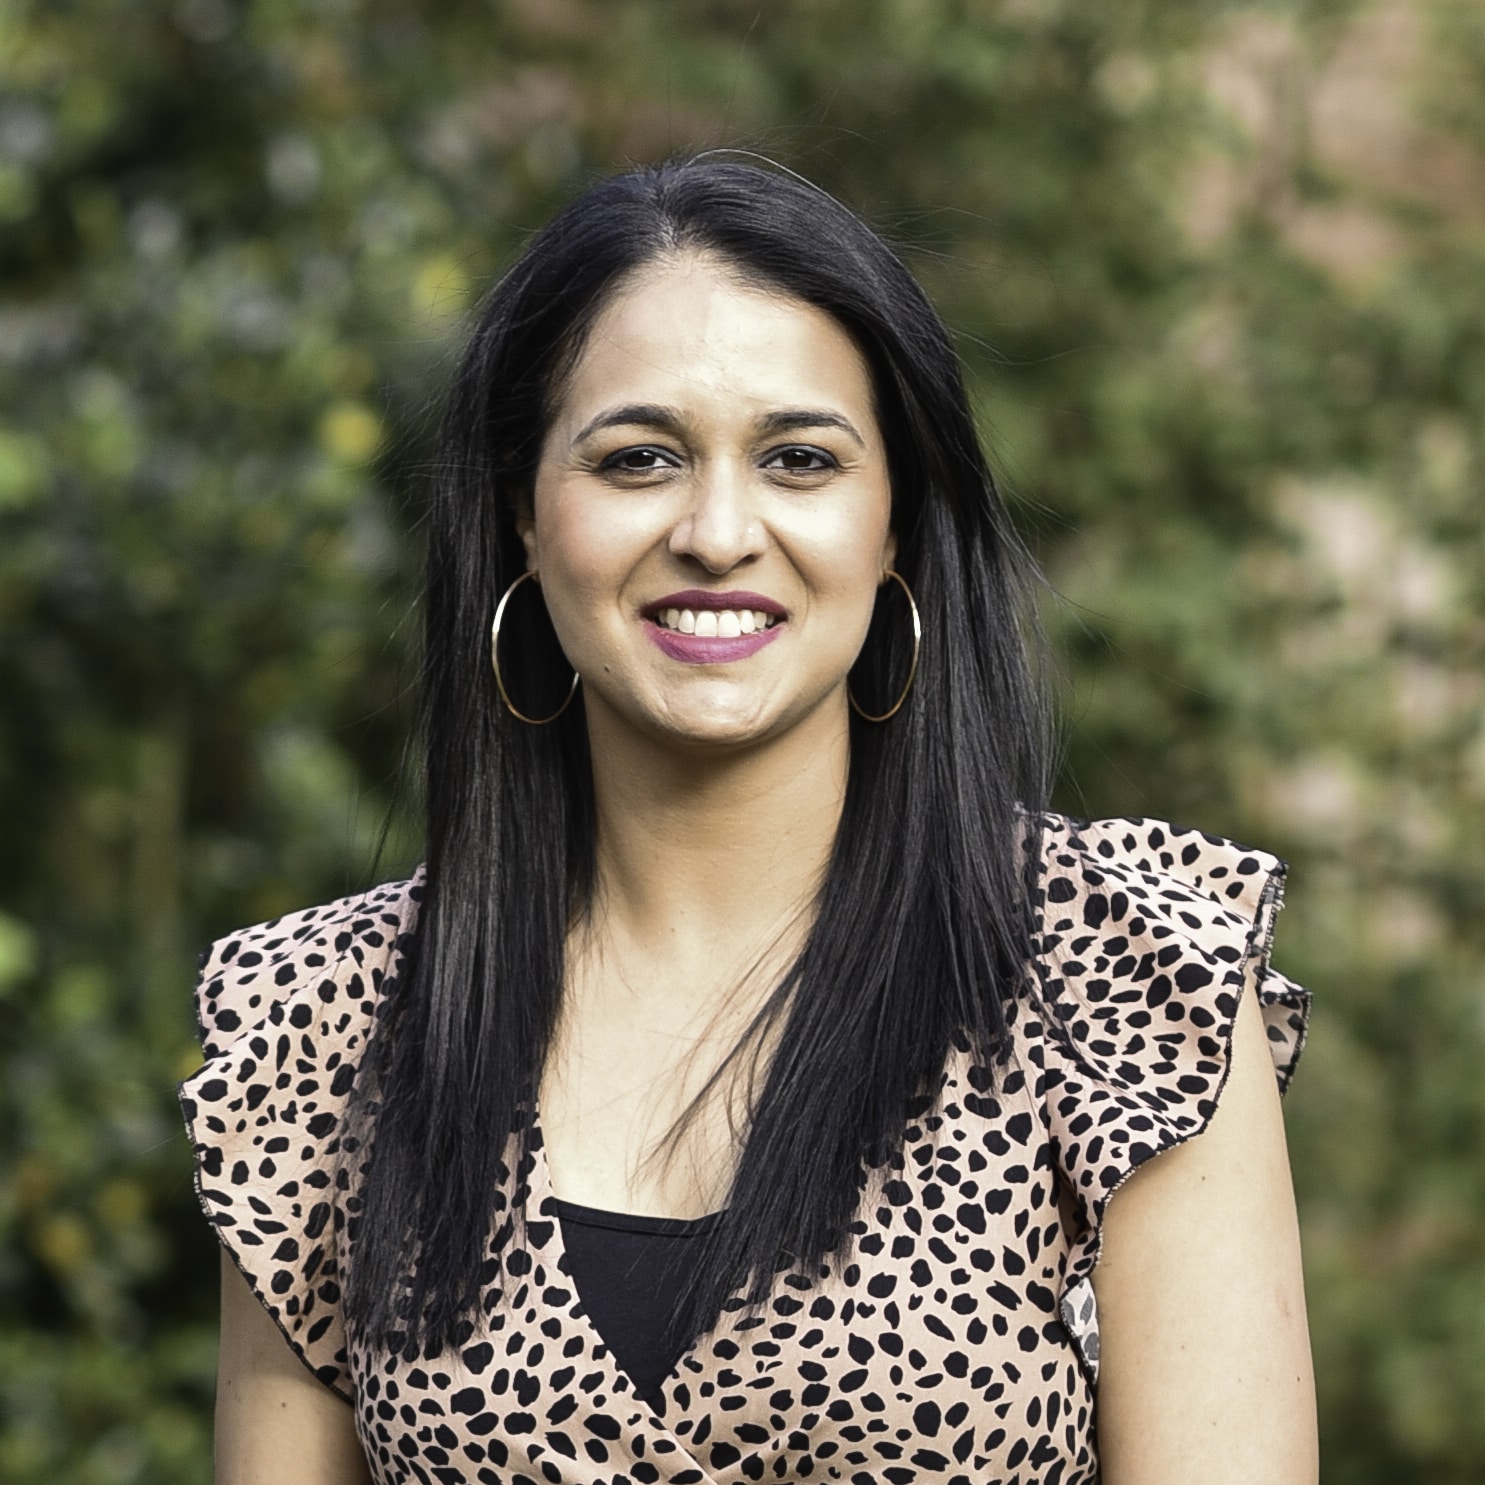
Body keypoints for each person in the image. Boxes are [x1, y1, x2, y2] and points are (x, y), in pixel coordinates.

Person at [182, 157, 1317, 1485]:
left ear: (892, 521)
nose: (718, 531)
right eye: (637, 458)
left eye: (798, 458)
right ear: (523, 517)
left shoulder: (1120, 978)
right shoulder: (324, 1023)